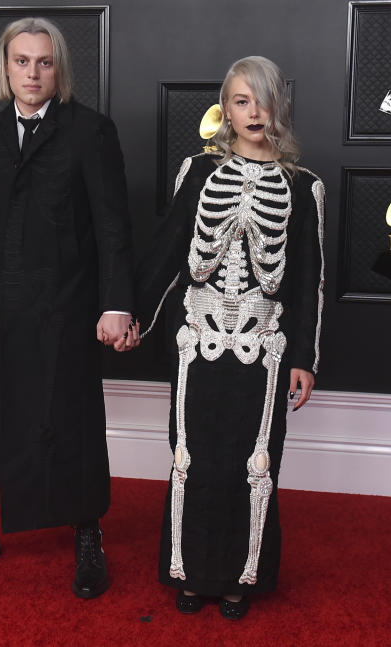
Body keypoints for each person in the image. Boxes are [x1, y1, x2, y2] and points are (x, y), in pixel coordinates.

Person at [0, 17, 139, 600]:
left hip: (65, 304)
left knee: (72, 415)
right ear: (6, 68)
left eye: (44, 62)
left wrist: (117, 303)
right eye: (22, 61)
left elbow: (114, 225)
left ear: (58, 68)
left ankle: (87, 532)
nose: (33, 73)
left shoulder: (90, 132)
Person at [137, 56, 324, 619]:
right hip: (198, 342)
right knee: (191, 458)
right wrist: (133, 317)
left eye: (263, 100)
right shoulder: (197, 172)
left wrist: (305, 357)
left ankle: (242, 578)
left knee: (255, 463)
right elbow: (169, 252)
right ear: (226, 107)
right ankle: (189, 574)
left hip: (264, 347)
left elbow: (310, 278)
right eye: (242, 101)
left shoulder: (303, 186)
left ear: (279, 107)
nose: (254, 112)